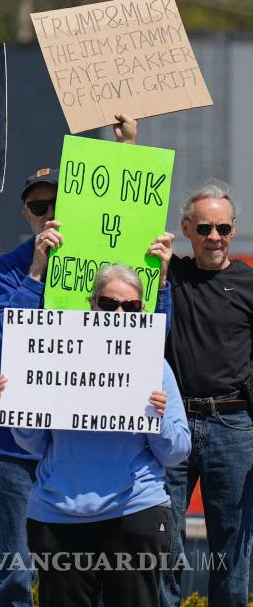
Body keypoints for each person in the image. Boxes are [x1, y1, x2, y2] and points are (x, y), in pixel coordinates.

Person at [0, 115, 158, 606]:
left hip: (92, 443)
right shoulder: (11, 267)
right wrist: (37, 272)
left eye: (58, 203)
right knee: (14, 572)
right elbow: (1, 335)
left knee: (93, 580)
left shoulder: (107, 260)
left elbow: (149, 332)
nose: (48, 213)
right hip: (22, 443)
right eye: (38, 207)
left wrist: (126, 148)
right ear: (26, 215)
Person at [0, 264, 191, 606]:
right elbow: (34, 444)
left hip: (133, 513)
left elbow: (177, 452)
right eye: (108, 303)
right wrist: (17, 404)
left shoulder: (156, 367)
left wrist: (157, 420)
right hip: (58, 515)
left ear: (141, 311)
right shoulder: (55, 359)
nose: (117, 313)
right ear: (92, 304)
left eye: (128, 307)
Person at [162, 182, 253, 607]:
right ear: (185, 229)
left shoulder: (250, 283)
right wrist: (127, 144)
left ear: (233, 229)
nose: (213, 237)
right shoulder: (169, 274)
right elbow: (127, 217)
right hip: (170, 423)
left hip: (233, 427)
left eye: (222, 227)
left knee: (233, 550)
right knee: (162, 545)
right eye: (202, 228)